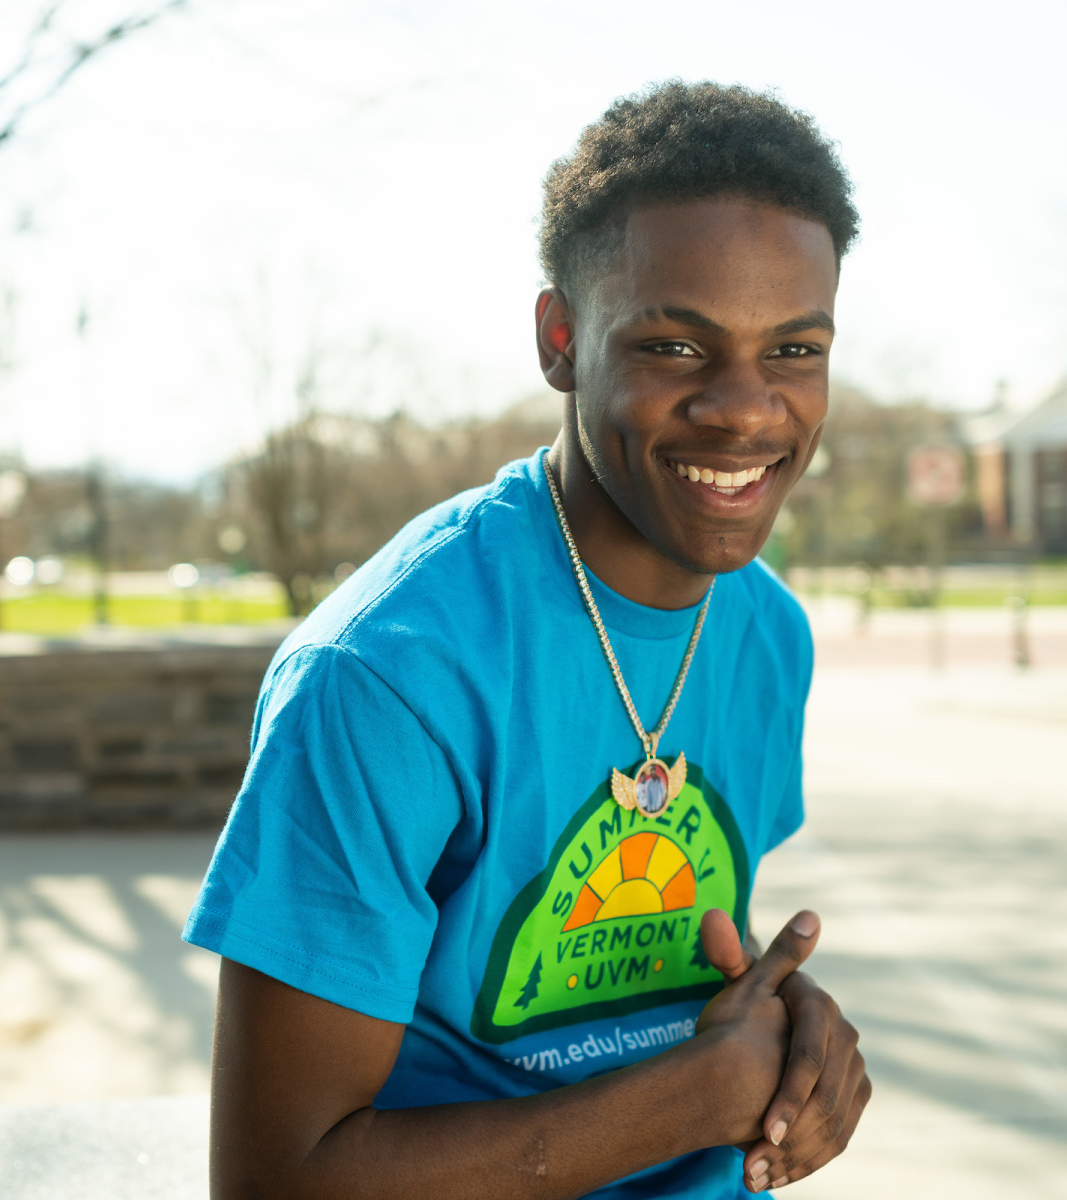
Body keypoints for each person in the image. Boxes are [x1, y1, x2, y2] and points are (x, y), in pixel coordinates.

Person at [184, 80, 871, 1199]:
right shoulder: (383, 676)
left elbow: (674, 970)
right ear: (561, 340)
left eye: (794, 351)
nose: (748, 410)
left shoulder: (766, 632)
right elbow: (279, 1180)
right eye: (677, 348)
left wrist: (791, 1050)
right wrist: (695, 1096)